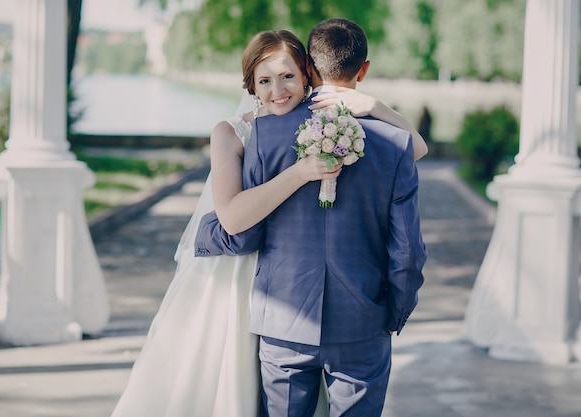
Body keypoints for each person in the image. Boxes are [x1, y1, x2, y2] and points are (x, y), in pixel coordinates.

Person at [111, 28, 426, 417]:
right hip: (338, 314)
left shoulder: (267, 136)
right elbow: (407, 248)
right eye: (265, 80)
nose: (278, 89)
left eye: (287, 76)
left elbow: (245, 234)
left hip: (280, 313)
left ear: (307, 71)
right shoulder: (391, 142)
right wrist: (392, 314)